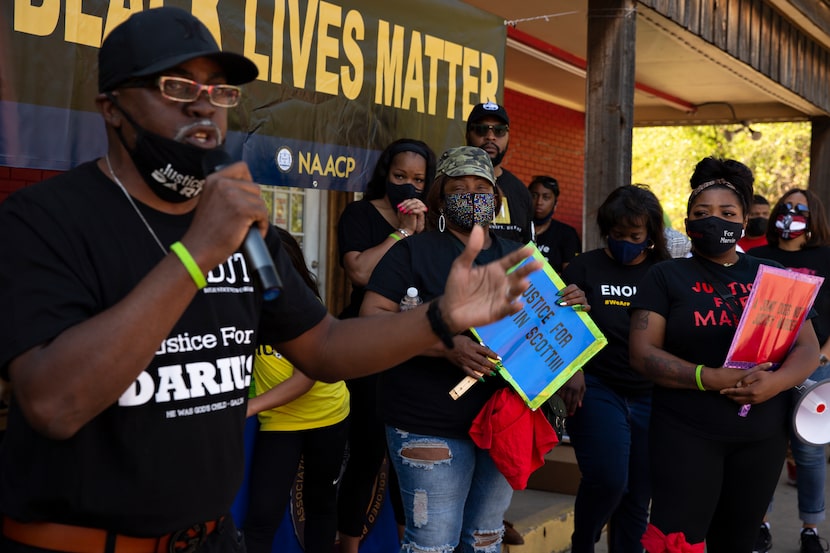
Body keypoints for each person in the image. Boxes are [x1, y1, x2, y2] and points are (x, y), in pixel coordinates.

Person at [0, 8, 541, 552]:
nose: (202, 103)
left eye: (219, 90)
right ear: (111, 107)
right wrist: (197, 255)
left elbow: (326, 347)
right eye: (175, 85)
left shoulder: (248, 234)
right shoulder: (45, 220)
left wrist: (439, 318)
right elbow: (54, 403)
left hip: (211, 537)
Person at [360, 146, 588, 553]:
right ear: (440, 199)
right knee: (433, 542)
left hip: (503, 423)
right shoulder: (412, 251)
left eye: (481, 188)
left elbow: (543, 328)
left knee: (485, 540)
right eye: (458, 188)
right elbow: (372, 319)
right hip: (425, 419)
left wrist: (570, 316)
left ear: (496, 199)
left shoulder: (521, 259)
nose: (471, 195)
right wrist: (445, 347)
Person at [629, 157, 820, 553]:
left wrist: (776, 383)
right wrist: (706, 377)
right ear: (687, 223)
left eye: (727, 213)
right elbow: (644, 354)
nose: (714, 220)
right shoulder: (665, 276)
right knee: (677, 540)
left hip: (761, 437)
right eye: (702, 213)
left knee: (737, 540)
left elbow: (808, 347)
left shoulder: (773, 274)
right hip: (685, 433)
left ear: (744, 222)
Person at [335, 138, 436, 551]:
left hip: (416, 347)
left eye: (418, 179)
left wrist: (424, 232)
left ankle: (404, 543)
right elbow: (360, 272)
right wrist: (401, 233)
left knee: (409, 453)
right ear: (385, 175)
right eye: (399, 177)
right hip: (368, 343)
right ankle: (349, 543)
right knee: (368, 447)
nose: (408, 187)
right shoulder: (360, 214)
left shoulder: (435, 221)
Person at [559, 184, 670, 553]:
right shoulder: (583, 266)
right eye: (617, 235)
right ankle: (584, 542)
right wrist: (573, 369)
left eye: (635, 236)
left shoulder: (664, 273)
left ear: (651, 235)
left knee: (638, 493)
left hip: (651, 394)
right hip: (596, 385)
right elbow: (560, 326)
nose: (624, 242)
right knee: (608, 480)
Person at [243, 227, 350, 553]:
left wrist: (248, 408)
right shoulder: (243, 305)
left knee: (321, 504)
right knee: (261, 514)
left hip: (327, 413)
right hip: (279, 420)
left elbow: (305, 379)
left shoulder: (305, 306)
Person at [747, 189, 830, 553]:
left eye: (800, 210)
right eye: (786, 208)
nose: (790, 216)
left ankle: (810, 530)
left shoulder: (827, 258)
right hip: (764, 366)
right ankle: (759, 524)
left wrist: (822, 358)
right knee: (763, 448)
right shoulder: (757, 257)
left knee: (809, 453)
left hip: (817, 369)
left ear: (814, 218)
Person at [465, 101, 533, 244]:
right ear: (468, 134)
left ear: (508, 136)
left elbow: (527, 250)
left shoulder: (521, 192)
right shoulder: (450, 186)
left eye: (499, 130)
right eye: (481, 129)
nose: (490, 136)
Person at [529, 174, 582, 272]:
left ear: (555, 203)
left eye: (546, 197)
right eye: (534, 196)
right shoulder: (518, 229)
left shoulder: (567, 234)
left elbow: (571, 275)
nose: (539, 202)